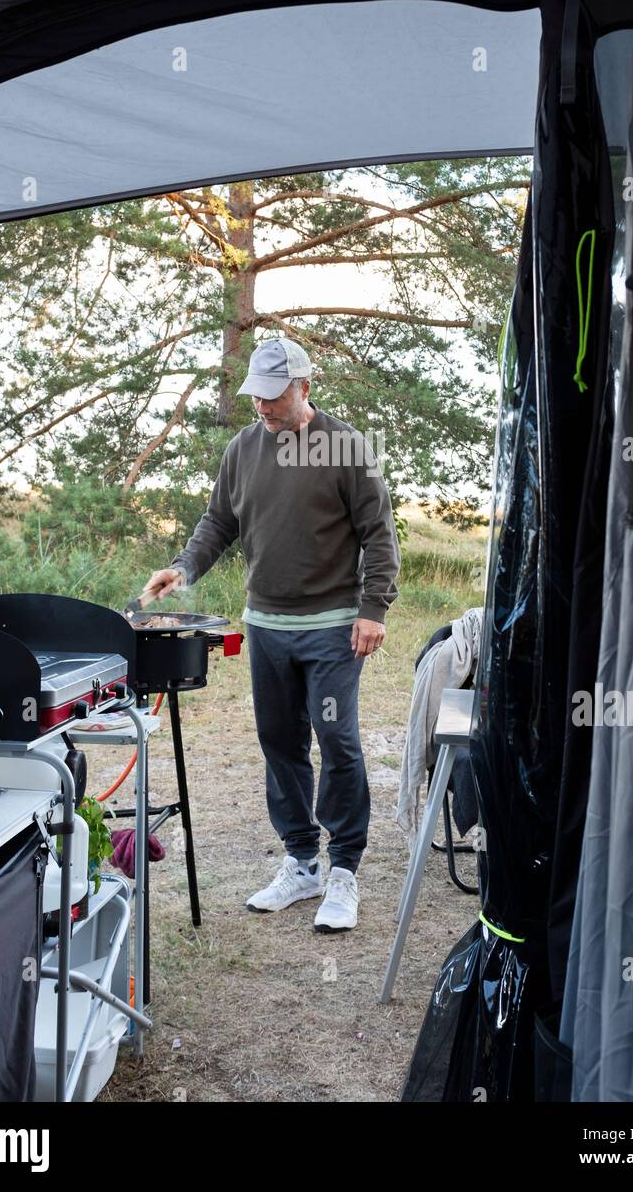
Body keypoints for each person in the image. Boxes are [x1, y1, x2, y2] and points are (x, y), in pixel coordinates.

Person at [143, 337, 400, 932]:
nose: (262, 406)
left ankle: (344, 870)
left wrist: (374, 609)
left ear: (304, 387)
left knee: (337, 739)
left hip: (333, 627)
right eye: (256, 395)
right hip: (267, 626)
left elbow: (379, 535)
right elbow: (218, 522)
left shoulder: (346, 448)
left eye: (274, 395)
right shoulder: (243, 448)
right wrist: (183, 568)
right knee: (279, 741)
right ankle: (301, 861)